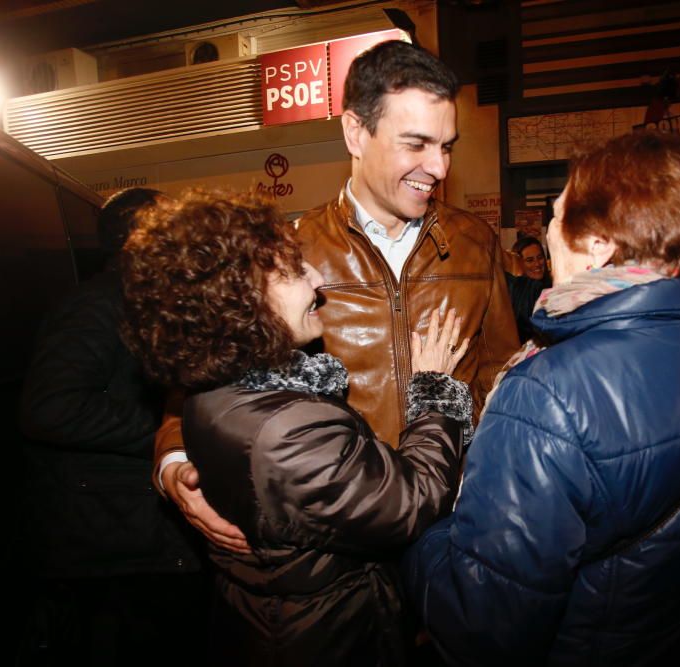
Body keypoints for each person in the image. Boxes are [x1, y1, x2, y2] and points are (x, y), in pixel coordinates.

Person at [402, 131, 680, 666]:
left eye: (559, 213)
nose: (548, 230)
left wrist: (415, 528)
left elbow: (482, 625)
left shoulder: (546, 393)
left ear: (598, 244)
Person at [154, 40, 518, 552]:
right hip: (338, 547)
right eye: (415, 144)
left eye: (447, 146)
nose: (437, 168)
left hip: (451, 525)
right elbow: (199, 387)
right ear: (355, 132)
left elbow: (500, 377)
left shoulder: (475, 243)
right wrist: (174, 463)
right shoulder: (288, 257)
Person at [120, 189, 474, 666]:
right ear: (240, 299)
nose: (317, 279)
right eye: (293, 270)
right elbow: (412, 501)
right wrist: (435, 393)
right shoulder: (287, 430)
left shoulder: (215, 391)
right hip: (326, 635)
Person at [18, 188, 206, 665]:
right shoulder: (97, 306)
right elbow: (51, 408)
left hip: (135, 541)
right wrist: (172, 428)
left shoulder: (145, 301)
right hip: (109, 550)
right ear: (142, 237)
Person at [505, 236, 552, 341]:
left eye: (540, 257)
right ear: (518, 263)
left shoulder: (552, 286)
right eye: (529, 260)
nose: (537, 264)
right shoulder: (514, 294)